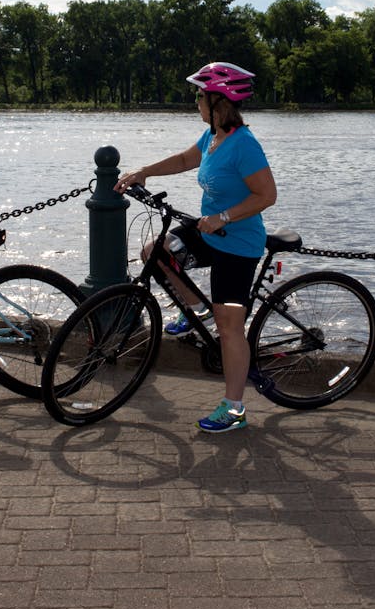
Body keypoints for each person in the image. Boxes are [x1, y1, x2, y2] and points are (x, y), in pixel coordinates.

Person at [114, 61, 277, 434]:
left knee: (230, 326)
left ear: (220, 100)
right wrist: (144, 172)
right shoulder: (213, 137)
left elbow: (267, 195)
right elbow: (188, 159)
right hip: (207, 232)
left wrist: (224, 217)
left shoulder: (244, 145)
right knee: (154, 252)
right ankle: (194, 309)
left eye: (200, 95)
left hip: (237, 244)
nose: (196, 101)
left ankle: (234, 409)